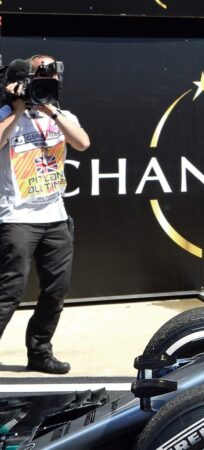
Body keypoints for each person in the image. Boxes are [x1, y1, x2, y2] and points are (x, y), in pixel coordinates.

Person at [0, 54, 91, 374]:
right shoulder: (5, 114)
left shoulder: (62, 115)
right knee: (8, 292)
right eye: (39, 79)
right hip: (16, 217)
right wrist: (17, 109)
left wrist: (49, 107)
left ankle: (39, 351)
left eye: (50, 81)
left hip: (55, 215)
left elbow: (81, 142)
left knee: (56, 290)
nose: (45, 84)